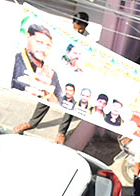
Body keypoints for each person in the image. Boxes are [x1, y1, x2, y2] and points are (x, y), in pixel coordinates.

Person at [14, 13, 88, 142]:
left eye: (80, 29)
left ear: (85, 26)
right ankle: (33, 122)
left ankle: (61, 132)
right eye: (76, 28)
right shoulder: (65, 33)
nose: (77, 31)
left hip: (74, 76)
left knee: (69, 102)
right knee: (47, 94)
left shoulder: (89, 40)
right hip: (59, 70)